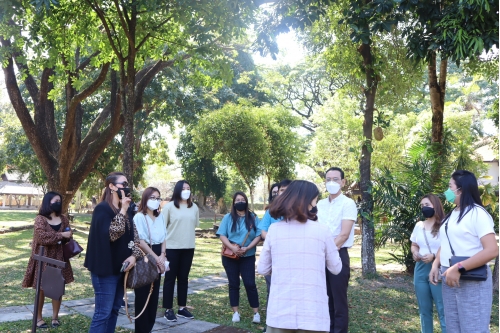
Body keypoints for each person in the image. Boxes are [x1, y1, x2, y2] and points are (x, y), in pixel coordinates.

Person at [258, 180, 342, 333]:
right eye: (315, 198)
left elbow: (263, 268)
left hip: (280, 313)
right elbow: (336, 268)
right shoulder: (322, 231)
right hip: (313, 314)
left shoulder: (274, 230)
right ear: (309, 201)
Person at [429, 170, 498, 332]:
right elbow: (446, 243)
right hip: (449, 276)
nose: (447, 191)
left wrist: (459, 267)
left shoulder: (477, 214)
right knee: (454, 328)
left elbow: (492, 250)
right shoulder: (452, 214)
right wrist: (436, 264)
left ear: (460, 189)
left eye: (450, 186)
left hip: (472, 279)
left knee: (473, 328)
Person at [84, 172, 142, 333]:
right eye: (123, 184)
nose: (126, 187)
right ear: (111, 186)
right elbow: (111, 234)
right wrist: (123, 210)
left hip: (122, 268)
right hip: (105, 270)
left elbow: (136, 237)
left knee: (115, 309)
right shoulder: (102, 209)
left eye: (127, 183)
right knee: (103, 313)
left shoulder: (129, 209)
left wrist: (134, 256)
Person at [22, 191, 74, 329]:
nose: (58, 203)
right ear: (47, 202)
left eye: (59, 201)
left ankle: (55, 317)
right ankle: (38, 318)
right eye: (55, 201)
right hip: (43, 257)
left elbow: (68, 235)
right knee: (42, 288)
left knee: (57, 288)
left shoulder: (63, 218)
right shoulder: (40, 219)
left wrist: (67, 235)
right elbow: (42, 237)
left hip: (59, 256)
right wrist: (61, 234)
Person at [316, 167, 357, 333]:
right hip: (319, 256)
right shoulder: (319, 204)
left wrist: (328, 251)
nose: (331, 182)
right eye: (328, 179)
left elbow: (344, 234)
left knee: (338, 300)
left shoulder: (348, 204)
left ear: (343, 182)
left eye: (335, 179)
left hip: (338, 254)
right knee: (324, 298)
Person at [216, 191, 262, 324]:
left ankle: (256, 313)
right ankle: (235, 312)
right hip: (230, 256)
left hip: (248, 255)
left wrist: (248, 248)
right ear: (234, 203)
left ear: (246, 201)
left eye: (242, 199)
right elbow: (222, 235)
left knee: (250, 284)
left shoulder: (253, 217)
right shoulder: (227, 218)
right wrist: (232, 247)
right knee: (233, 284)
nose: (240, 202)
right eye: (237, 200)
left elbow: (259, 235)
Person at [162, 180, 199, 321]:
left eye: (188, 188)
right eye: (183, 188)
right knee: (170, 279)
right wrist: (163, 252)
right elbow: (162, 229)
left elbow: (194, 225)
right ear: (177, 190)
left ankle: (182, 308)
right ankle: (168, 309)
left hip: (188, 247)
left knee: (183, 278)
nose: (186, 190)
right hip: (172, 248)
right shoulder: (169, 207)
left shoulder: (194, 207)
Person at [133, 187, 167, 333]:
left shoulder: (160, 216)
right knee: (143, 295)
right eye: (152, 197)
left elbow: (164, 237)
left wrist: (163, 255)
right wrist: (155, 257)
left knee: (154, 296)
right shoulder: (139, 217)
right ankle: (141, 329)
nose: (156, 200)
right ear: (145, 199)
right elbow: (140, 241)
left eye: (158, 198)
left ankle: (149, 328)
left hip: (159, 254)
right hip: (145, 256)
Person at [410, 194, 446, 333]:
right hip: (420, 269)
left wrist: (434, 257)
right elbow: (414, 244)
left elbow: (448, 247)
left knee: (442, 309)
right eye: (422, 206)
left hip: (438, 268)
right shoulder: (419, 225)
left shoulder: (445, 224)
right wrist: (415, 252)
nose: (424, 208)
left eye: (427, 205)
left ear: (435, 205)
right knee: (424, 309)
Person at [260, 179, 291, 332]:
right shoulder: (271, 211)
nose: (282, 193)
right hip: (274, 257)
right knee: (272, 290)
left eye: (286, 190)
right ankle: (271, 326)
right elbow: (263, 231)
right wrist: (277, 238)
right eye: (280, 190)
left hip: (293, 259)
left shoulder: (299, 210)